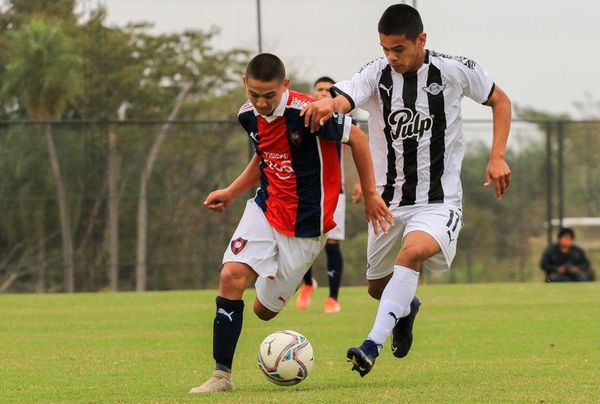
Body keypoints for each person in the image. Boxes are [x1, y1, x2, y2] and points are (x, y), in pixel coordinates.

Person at [301, 4, 512, 377]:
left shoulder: (453, 70)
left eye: (399, 49)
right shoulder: (376, 73)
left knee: (412, 253)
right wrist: (327, 103)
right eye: (385, 49)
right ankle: (407, 307)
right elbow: (345, 96)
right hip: (388, 203)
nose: (391, 57)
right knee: (377, 287)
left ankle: (370, 346)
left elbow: (500, 100)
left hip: (439, 201)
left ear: (421, 40)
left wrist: (497, 157)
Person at [189, 53, 392, 393]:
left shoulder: (308, 112)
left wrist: (370, 193)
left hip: (308, 228)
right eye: (254, 94)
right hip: (266, 209)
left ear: (284, 85)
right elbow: (264, 155)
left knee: (262, 312)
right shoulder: (247, 115)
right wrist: (232, 191)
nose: (261, 102)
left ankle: (290, 278)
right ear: (245, 84)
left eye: (269, 95)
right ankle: (221, 376)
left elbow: (356, 138)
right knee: (231, 276)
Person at [295, 76, 355, 314]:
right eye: (318, 89)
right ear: (312, 91)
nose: (322, 93)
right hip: (305, 191)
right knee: (303, 240)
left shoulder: (342, 119)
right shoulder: (299, 116)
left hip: (334, 192)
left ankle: (333, 298)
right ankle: (307, 282)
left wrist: (362, 182)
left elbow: (360, 146)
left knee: (332, 244)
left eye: (327, 91)